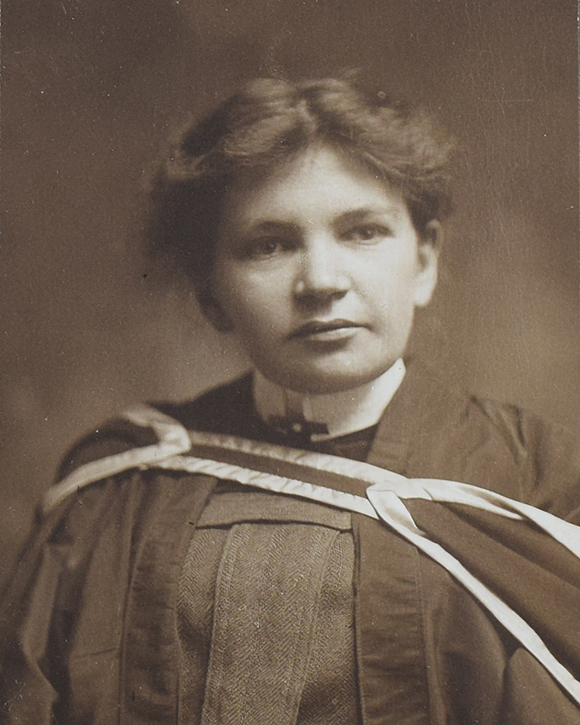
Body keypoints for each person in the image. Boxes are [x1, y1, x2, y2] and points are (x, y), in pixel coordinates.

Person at [1, 76, 579, 725]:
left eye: (362, 232)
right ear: (211, 291)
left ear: (424, 260)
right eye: (269, 245)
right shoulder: (118, 488)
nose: (322, 282)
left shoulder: (543, 482)